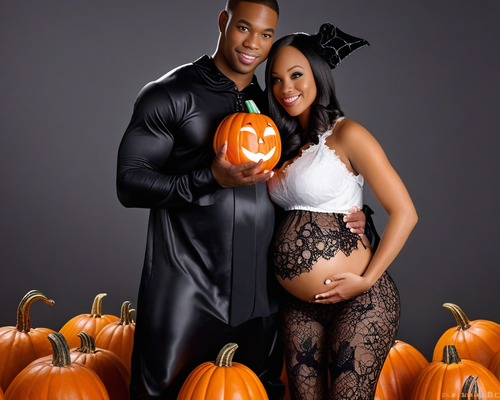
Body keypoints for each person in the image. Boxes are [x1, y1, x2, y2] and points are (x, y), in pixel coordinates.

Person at [116, 1, 367, 398]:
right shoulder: (170, 94)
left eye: (266, 34)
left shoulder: (274, 105)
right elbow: (129, 183)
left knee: (260, 392)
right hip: (186, 289)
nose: (254, 43)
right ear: (223, 22)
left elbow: (317, 174)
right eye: (244, 28)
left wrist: (356, 216)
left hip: (261, 299)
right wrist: (209, 178)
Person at [264, 24, 418, 400]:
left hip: (360, 300)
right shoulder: (278, 144)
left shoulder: (347, 134)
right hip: (298, 307)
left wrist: (366, 281)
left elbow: (405, 212)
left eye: (297, 75)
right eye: (276, 79)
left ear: (318, 74)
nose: (287, 88)